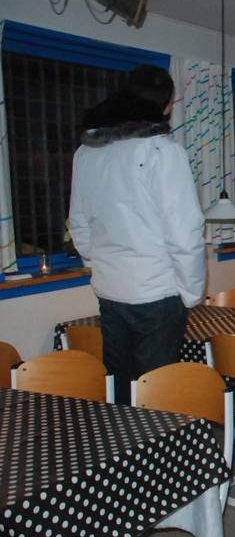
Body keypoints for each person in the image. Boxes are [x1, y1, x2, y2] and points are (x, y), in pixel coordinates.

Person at [69, 65, 205, 405]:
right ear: (167, 106)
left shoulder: (87, 152)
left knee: (120, 387)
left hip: (110, 288)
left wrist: (101, 260)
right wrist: (190, 294)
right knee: (155, 393)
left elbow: (79, 222)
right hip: (156, 291)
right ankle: (156, 442)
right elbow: (184, 231)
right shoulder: (162, 151)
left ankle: (121, 439)